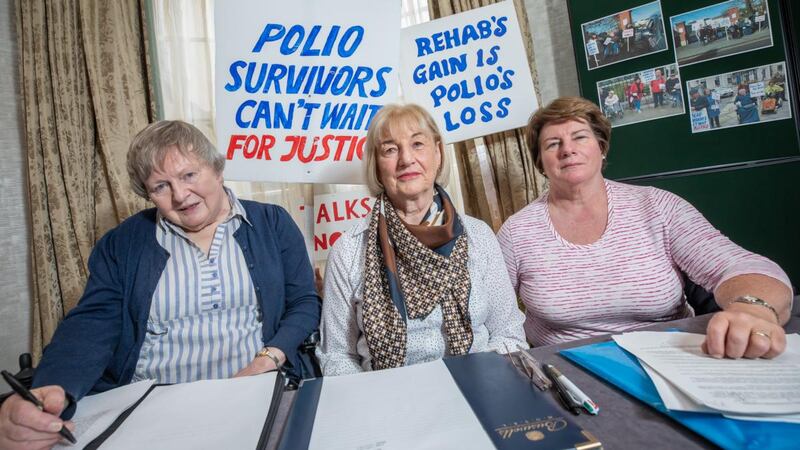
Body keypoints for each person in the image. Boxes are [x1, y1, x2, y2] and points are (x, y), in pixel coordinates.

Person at [0, 121, 321, 449]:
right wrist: (56, 387)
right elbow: (90, 326)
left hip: (254, 393)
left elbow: (304, 303)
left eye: (189, 175)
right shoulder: (123, 244)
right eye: (160, 187)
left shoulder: (272, 222)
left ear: (217, 169)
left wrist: (266, 360)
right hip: (155, 409)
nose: (180, 196)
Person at [497, 97, 793, 358]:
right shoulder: (516, 232)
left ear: (601, 148)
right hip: (567, 370)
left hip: (670, 359)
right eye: (553, 144)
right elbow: (492, 312)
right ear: (540, 162)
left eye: (580, 137)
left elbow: (745, 266)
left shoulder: (658, 206)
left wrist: (752, 309)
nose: (568, 150)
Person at [318, 104, 526, 375]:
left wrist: (481, 383)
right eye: (390, 149)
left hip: (479, 387)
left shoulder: (478, 236)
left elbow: (508, 334)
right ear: (377, 167)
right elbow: (337, 356)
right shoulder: (349, 249)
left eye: (417, 144)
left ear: (438, 153)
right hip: (389, 401)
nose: (406, 159)